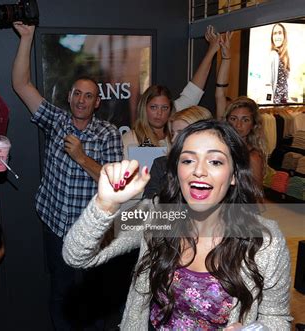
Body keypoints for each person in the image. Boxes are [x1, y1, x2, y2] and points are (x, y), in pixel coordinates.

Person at [63, 120, 291, 330]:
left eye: (215, 161)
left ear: (233, 175)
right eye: (188, 160)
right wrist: (105, 204)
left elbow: (277, 318)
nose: (199, 171)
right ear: (177, 171)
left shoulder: (265, 242)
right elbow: (76, 256)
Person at [11, 22, 123, 329]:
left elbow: (115, 182)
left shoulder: (108, 133)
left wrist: (81, 157)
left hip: (92, 231)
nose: (81, 100)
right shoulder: (57, 121)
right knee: (60, 291)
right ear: (69, 96)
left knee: (93, 294)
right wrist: (27, 38)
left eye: (88, 96)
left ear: (97, 102)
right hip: (56, 226)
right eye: (77, 94)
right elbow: (21, 85)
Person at [122, 25, 221, 157]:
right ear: (144, 108)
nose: (159, 113)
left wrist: (212, 50)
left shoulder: (176, 125)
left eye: (164, 108)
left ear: (171, 109)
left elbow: (195, 89)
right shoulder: (130, 139)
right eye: (153, 107)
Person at [143, 105, 212, 199]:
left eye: (181, 133)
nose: (173, 139)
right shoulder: (161, 164)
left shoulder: (215, 167)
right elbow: (148, 201)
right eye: (172, 133)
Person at [223, 97, 267, 187]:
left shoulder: (252, 157)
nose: (238, 125)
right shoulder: (221, 149)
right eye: (233, 119)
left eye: (245, 120)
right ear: (227, 121)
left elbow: (256, 195)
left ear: (253, 125)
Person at [270, 23, 290, 104]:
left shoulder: (284, 56)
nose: (277, 36)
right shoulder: (273, 54)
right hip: (275, 102)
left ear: (284, 36)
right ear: (272, 37)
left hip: (283, 101)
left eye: (280, 33)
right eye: (275, 33)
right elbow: (268, 82)